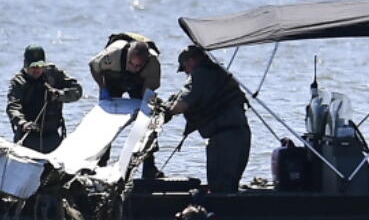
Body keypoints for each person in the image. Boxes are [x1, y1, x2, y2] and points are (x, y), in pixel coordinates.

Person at [165, 45, 251, 193]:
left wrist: (165, 112)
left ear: (191, 60)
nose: (186, 72)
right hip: (242, 135)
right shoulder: (219, 72)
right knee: (230, 186)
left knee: (219, 189)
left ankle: (218, 214)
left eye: (185, 68)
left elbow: (183, 104)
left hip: (223, 140)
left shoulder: (200, 75)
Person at [6, 45, 82, 153]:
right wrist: (22, 123)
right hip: (28, 138)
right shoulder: (18, 82)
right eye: (33, 65)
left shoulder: (54, 74)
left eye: (40, 65)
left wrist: (59, 95)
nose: (36, 69)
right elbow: (13, 107)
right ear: (25, 64)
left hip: (52, 137)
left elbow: (77, 91)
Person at [88, 33, 161, 99]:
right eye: (130, 63)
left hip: (138, 83)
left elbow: (150, 89)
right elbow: (93, 65)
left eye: (138, 66)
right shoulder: (113, 55)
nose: (134, 68)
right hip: (114, 78)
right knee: (110, 97)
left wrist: (146, 100)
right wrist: (102, 87)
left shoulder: (153, 65)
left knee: (143, 98)